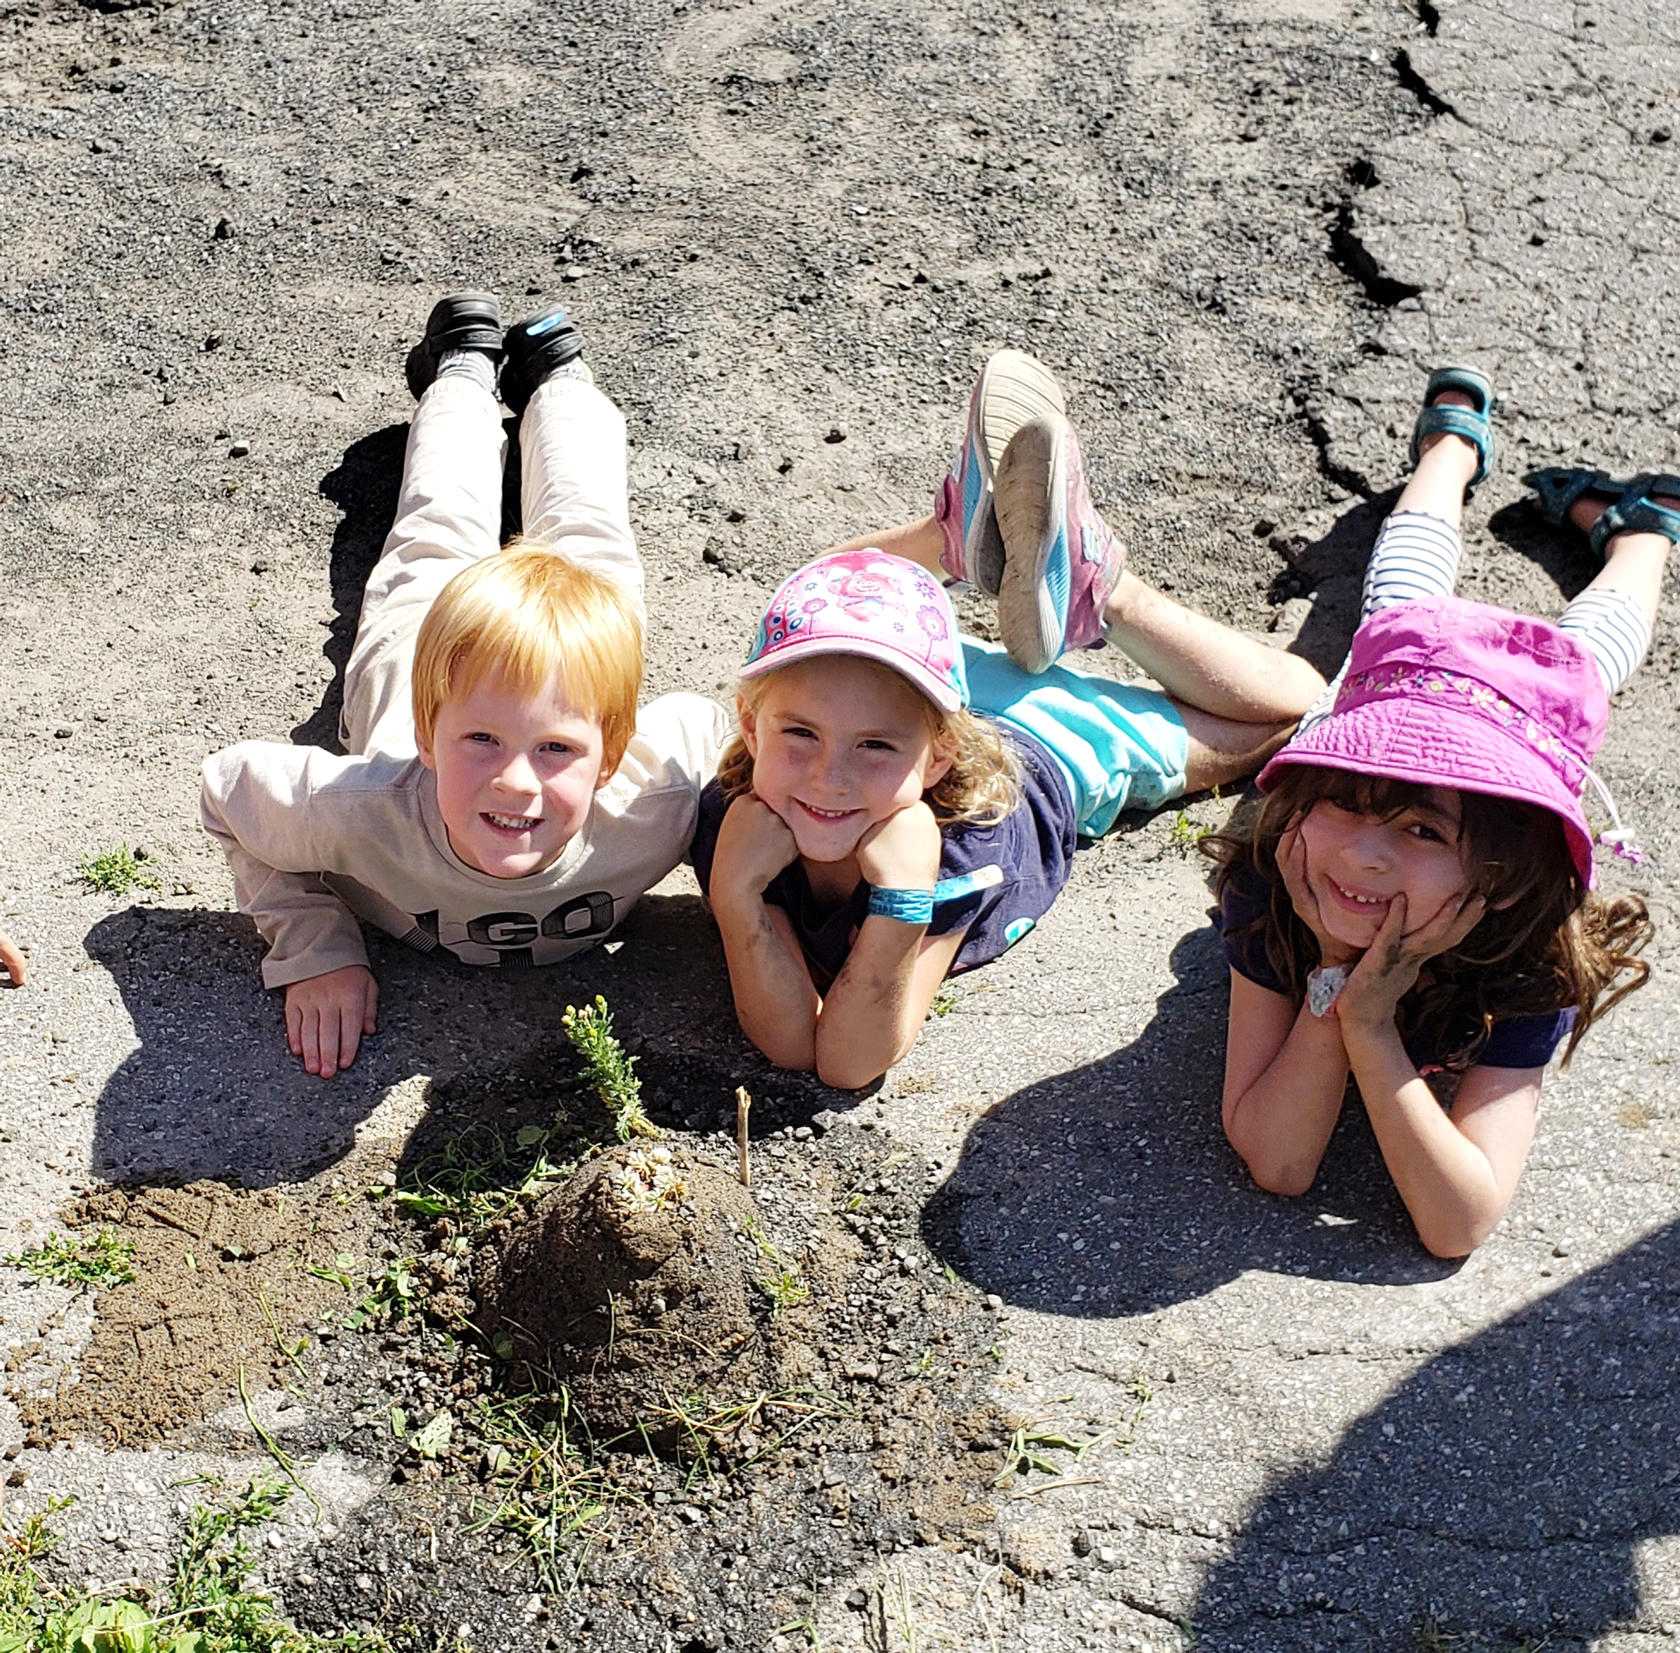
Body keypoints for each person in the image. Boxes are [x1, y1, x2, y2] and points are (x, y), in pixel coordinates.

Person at [691, 351, 1328, 1088]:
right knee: (800, 626)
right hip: (902, 685)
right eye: (798, 734)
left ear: (936, 759)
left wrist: (902, 904)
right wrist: (735, 900)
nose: (829, 775)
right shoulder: (738, 811)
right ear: (750, 726)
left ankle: (1101, 587)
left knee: (1293, 710)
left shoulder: (966, 844)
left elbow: (847, 1059)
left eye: (868, 750)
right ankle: (953, 539)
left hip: (1052, 741)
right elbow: (794, 1041)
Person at [202, 293, 726, 1077]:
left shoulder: (662, 793)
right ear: (428, 734)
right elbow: (224, 792)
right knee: (439, 527)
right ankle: (465, 368)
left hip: (574, 661)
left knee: (590, 536)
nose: (515, 781)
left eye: (556, 749)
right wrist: (314, 947)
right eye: (481, 740)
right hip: (429, 645)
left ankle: (559, 378)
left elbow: (723, 732)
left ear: (614, 753)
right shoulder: (356, 810)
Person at [1211, 364, 1664, 1257]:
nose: (1361, 855)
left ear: (1506, 877)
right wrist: (1337, 974)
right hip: (1384, 696)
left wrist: (1372, 1028)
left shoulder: (1533, 949)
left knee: (1580, 663)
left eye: (1423, 831)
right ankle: (1450, 451)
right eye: (1342, 803)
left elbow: (1458, 1224)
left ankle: (1646, 537)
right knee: (1399, 608)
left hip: (1514, 740)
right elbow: (1279, 1159)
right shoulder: (1279, 868)